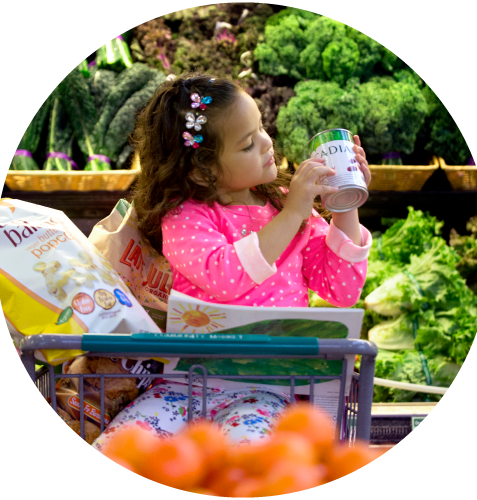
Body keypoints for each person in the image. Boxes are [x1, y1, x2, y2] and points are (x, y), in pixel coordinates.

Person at [91, 72, 372, 451]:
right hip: (185, 384)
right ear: (200, 170)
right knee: (121, 447)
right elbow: (226, 275)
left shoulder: (285, 202)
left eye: (261, 129)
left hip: (270, 390)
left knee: (247, 455)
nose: (267, 143)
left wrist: (344, 206)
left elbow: (341, 289)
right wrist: (291, 213)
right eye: (247, 144)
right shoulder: (187, 216)